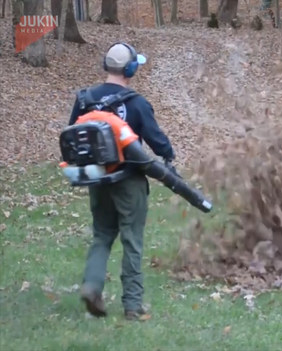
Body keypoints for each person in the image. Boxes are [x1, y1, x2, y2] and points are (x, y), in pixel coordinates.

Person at [68, 42, 177, 321]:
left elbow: (73, 133)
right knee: (132, 240)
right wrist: (168, 156)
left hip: (97, 178)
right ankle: (132, 304)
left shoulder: (84, 99)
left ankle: (91, 287)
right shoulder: (136, 103)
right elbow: (157, 140)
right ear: (130, 69)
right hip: (130, 180)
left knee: (102, 235)